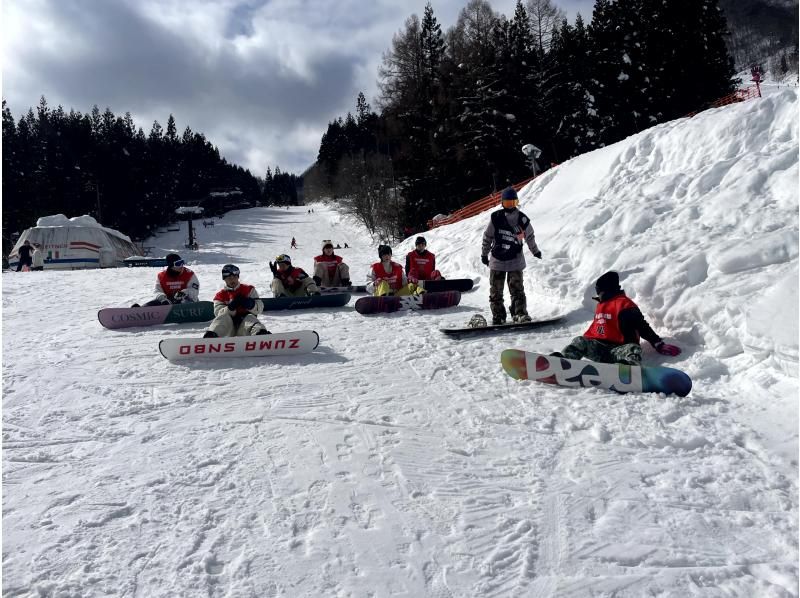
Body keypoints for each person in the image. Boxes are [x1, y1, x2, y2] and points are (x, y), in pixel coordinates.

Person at [552, 271, 682, 365]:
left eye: (600, 291)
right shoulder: (601, 305)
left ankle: (627, 369)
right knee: (579, 341)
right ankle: (563, 362)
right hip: (600, 349)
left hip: (620, 351)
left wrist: (658, 343)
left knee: (633, 349)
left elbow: (642, 326)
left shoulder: (625, 304)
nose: (599, 294)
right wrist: (586, 342)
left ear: (606, 290)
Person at [480, 187, 541, 325]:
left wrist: (535, 251)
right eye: (507, 203)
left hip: (515, 260)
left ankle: (519, 313)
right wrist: (484, 254)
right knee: (496, 291)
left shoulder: (522, 219)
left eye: (513, 203)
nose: (510, 206)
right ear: (502, 203)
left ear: (517, 203)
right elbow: (488, 236)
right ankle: (498, 315)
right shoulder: (496, 217)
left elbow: (529, 236)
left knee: (517, 289)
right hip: (497, 260)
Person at [204, 264, 269, 338]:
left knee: (250, 318)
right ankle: (211, 337)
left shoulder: (249, 290)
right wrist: (230, 308)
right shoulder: (220, 295)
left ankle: (261, 335)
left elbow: (259, 308)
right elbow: (218, 314)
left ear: (238, 277)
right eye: (229, 278)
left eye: (234, 277)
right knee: (222, 318)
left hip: (245, 327)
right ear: (224, 279)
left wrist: (251, 304)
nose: (232, 280)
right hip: (228, 329)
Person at [132, 253, 199, 307]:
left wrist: (184, 293)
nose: (181, 266)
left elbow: (194, 290)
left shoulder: (189, 274)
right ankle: (140, 311)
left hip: (185, 300)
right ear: (171, 266)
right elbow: (157, 291)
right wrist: (162, 298)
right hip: (168, 301)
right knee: (156, 302)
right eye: (178, 264)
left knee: (185, 301)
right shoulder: (162, 276)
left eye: (182, 262)